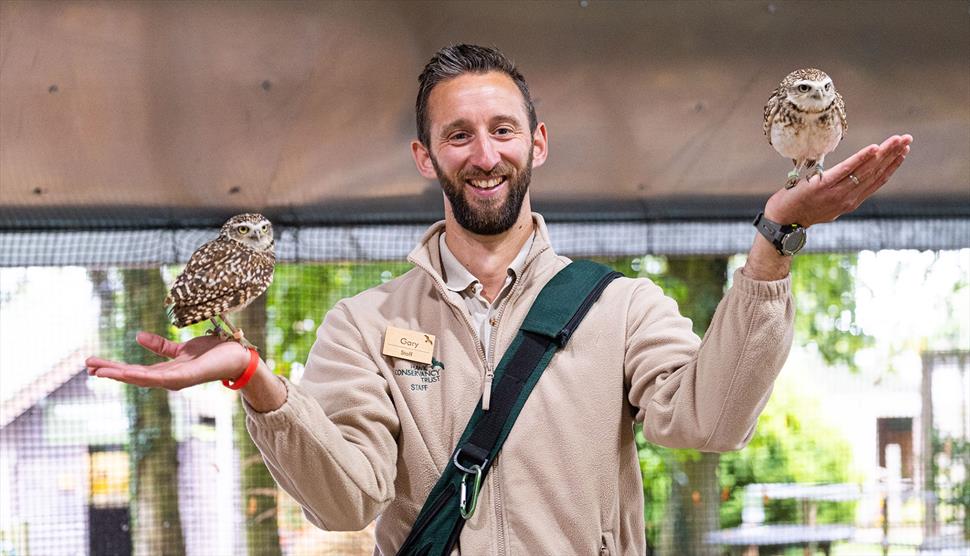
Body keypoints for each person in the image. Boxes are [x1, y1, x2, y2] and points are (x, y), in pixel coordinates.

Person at [87, 44, 912, 554]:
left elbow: (712, 421)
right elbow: (347, 499)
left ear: (536, 143)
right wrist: (257, 383)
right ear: (425, 156)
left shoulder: (620, 307)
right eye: (458, 135)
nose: (485, 155)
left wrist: (773, 241)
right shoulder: (365, 326)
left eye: (504, 130)